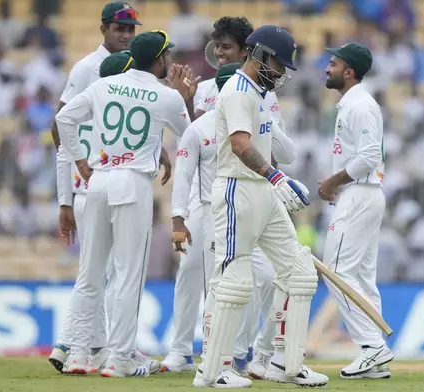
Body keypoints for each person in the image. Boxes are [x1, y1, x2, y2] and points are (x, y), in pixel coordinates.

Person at [194, 25, 327, 388]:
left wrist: (274, 179)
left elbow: (270, 145)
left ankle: (287, 363)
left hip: (262, 192)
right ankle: (214, 370)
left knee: (298, 272)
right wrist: (275, 176)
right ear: (261, 55)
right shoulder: (238, 90)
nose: (281, 72)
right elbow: (239, 144)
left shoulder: (258, 93)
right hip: (238, 190)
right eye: (279, 64)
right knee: (235, 280)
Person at [56, 30, 194, 377]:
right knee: (128, 275)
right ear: (159, 59)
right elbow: (190, 137)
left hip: (97, 180)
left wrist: (79, 160)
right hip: (132, 183)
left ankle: (78, 354)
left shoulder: (104, 85)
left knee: (90, 274)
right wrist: (183, 98)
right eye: (167, 56)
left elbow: (63, 119)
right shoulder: (165, 95)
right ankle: (119, 358)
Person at [161, 16, 284, 377]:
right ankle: (181, 350)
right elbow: (195, 138)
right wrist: (184, 103)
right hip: (207, 195)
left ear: (247, 51)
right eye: (217, 47)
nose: (220, 53)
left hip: (247, 196)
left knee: (251, 277)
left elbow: (272, 144)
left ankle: (239, 350)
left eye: (227, 47)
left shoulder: (265, 90)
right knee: (191, 272)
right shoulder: (204, 88)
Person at [317, 42, 393, 379]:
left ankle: (373, 347)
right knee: (361, 277)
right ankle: (372, 355)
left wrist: (333, 182)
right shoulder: (352, 103)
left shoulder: (360, 105)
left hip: (360, 193)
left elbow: (367, 159)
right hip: (362, 193)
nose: (327, 68)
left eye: (333, 64)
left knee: (335, 272)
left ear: (349, 72)